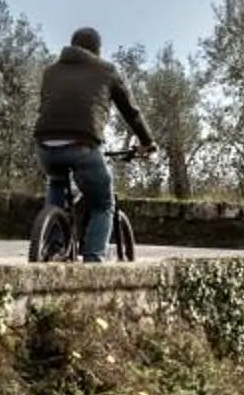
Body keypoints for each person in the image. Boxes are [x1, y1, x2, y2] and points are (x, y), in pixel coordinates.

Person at [33, 26, 155, 261]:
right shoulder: (107, 71)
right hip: (83, 144)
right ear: (97, 51)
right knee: (103, 204)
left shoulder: (51, 71)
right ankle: (94, 260)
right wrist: (148, 143)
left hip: (44, 144)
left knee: (57, 180)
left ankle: (51, 247)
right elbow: (132, 113)